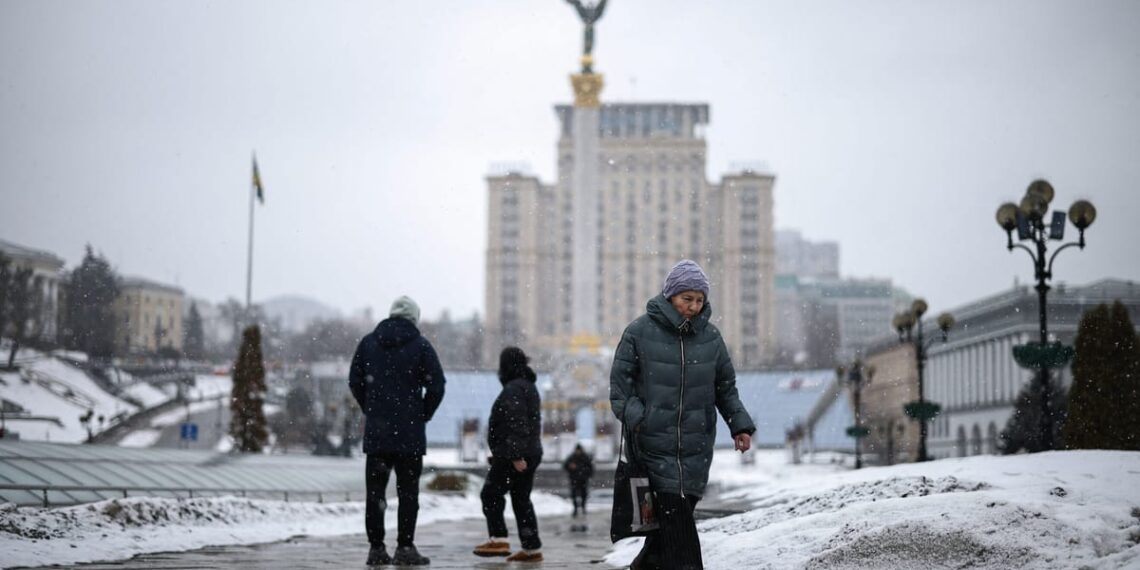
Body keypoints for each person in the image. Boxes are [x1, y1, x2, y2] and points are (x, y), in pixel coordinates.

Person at [610, 260, 756, 570]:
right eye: (686, 298)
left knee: (671, 525)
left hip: (696, 446)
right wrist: (642, 418)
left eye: (699, 300)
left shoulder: (712, 339)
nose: (692, 306)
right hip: (652, 444)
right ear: (670, 296)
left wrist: (739, 425)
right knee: (678, 525)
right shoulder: (638, 333)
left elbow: (725, 389)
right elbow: (619, 391)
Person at [348, 296, 446, 566]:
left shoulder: (368, 344)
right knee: (408, 493)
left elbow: (354, 380)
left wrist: (371, 408)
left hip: (377, 435)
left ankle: (376, 548)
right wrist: (421, 414)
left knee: (375, 493)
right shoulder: (422, 347)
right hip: (409, 435)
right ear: (414, 319)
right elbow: (437, 385)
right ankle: (405, 546)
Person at [473, 347, 545, 563]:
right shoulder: (528, 386)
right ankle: (532, 549)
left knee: (490, 494)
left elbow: (516, 423)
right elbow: (523, 425)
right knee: (521, 499)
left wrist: (514, 456)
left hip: (515, 455)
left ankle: (499, 538)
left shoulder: (514, 389)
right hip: (525, 452)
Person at [562, 443, 594, 518]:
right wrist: (570, 467)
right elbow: (565, 465)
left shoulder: (585, 457)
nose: (578, 452)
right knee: (574, 495)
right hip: (574, 479)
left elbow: (590, 468)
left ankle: (583, 508)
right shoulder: (572, 457)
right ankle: (575, 509)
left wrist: (579, 469)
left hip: (583, 480)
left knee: (584, 495)